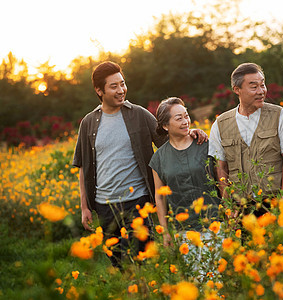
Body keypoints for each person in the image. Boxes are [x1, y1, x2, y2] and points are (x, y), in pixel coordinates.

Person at [72, 61, 207, 268]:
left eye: (122, 84)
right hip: (104, 205)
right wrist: (85, 207)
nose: (121, 90)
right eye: (114, 86)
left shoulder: (139, 114)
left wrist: (191, 133)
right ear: (99, 90)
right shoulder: (89, 123)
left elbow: (169, 138)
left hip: (138, 201)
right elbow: (83, 167)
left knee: (144, 260)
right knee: (118, 262)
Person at [209, 62, 283, 215]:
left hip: (274, 204)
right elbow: (221, 168)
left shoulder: (280, 115)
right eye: (254, 87)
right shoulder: (220, 124)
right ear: (237, 90)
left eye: (263, 85)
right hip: (241, 208)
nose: (261, 91)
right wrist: (228, 206)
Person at [150, 97, 220, 247]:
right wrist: (165, 232)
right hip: (184, 230)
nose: (185, 121)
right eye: (179, 118)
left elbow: (221, 177)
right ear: (165, 126)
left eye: (186, 116)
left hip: (215, 224)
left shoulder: (205, 144)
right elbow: (160, 197)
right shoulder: (158, 158)